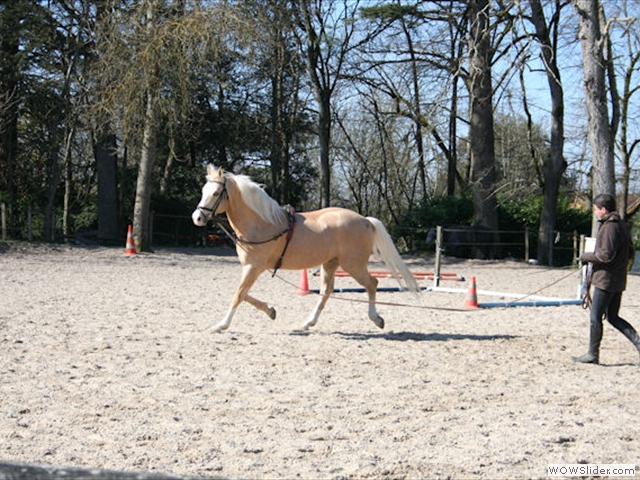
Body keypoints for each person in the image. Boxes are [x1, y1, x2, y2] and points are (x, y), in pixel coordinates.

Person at [573, 193, 640, 365]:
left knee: (596, 317)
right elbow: (629, 252)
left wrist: (586, 257)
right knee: (613, 317)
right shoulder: (621, 225)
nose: (595, 213)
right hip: (617, 278)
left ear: (603, 209)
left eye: (596, 209)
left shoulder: (610, 227)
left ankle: (592, 354)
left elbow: (605, 255)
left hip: (606, 280)